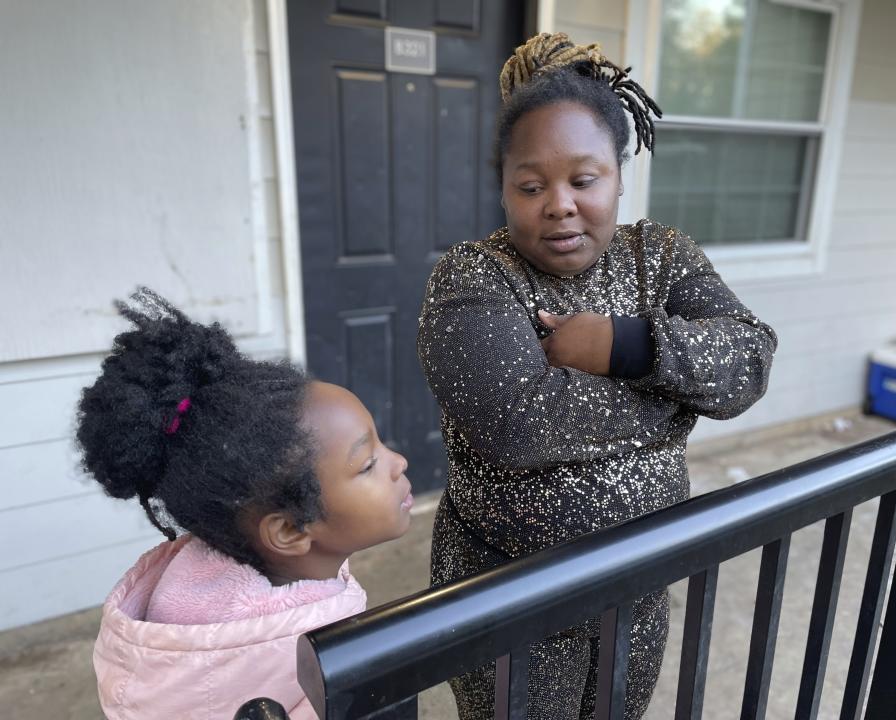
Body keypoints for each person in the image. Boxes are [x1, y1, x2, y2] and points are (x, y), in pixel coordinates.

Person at [418, 32, 777, 719]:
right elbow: (519, 426)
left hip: (639, 585)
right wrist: (674, 404)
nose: (558, 204)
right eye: (531, 185)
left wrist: (624, 346)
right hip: (510, 594)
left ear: (617, 173)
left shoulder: (662, 257)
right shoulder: (473, 277)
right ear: (503, 186)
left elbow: (749, 361)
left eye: (584, 180)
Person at [76, 288, 414, 720]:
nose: (398, 461)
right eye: (367, 464)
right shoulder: (311, 667)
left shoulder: (195, 598)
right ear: (290, 530)